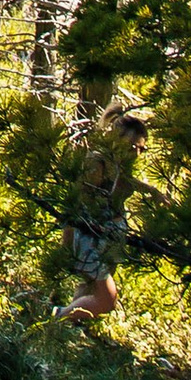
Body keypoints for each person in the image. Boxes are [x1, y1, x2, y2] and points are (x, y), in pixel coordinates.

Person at [60, 105, 149, 320]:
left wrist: (152, 192)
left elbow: (126, 184)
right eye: (132, 147)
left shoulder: (121, 167)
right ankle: (59, 317)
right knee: (107, 298)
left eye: (142, 149)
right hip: (90, 236)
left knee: (91, 288)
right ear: (117, 139)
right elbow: (76, 202)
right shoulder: (96, 162)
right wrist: (67, 240)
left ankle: (72, 324)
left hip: (109, 236)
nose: (136, 154)